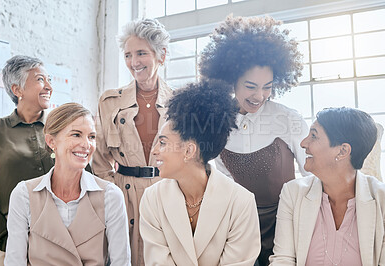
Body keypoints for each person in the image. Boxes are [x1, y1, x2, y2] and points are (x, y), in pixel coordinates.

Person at [199, 15, 309, 265]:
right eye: (251, 86)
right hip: (239, 225)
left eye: (267, 87)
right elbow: (222, 179)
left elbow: (311, 174)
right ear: (231, 80)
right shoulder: (216, 123)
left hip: (287, 223)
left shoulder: (287, 119)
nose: (260, 95)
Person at [139, 80, 261, 266]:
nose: (154, 150)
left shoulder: (241, 202)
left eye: (162, 142)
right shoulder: (152, 198)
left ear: (189, 151)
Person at [4, 103, 131, 265]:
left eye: (91, 136)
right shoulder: (24, 194)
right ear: (51, 141)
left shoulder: (111, 196)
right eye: (76, 135)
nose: (87, 145)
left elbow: (121, 262)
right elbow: (14, 262)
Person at [92, 18, 172, 265]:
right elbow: (98, 159)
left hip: (167, 191)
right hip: (123, 194)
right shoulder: (109, 102)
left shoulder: (181, 101)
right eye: (128, 55)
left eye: (141, 53)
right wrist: (113, 192)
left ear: (161, 55)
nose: (134, 62)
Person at [270, 107, 385, 266]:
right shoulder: (293, 193)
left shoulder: (382, 199)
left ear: (342, 150)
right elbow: (283, 260)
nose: (303, 143)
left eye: (314, 136)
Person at [0, 55, 54, 265]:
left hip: (60, 241)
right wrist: (5, 239)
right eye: (41, 79)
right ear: (18, 90)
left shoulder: (62, 128)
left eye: (49, 79)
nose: (49, 87)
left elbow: (85, 179)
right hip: (9, 243)